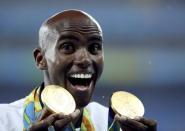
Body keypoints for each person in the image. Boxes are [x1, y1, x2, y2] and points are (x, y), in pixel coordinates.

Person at [0, 9, 157, 131]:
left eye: (94, 47)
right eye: (68, 47)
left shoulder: (109, 123)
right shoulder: (4, 120)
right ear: (40, 59)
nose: (85, 59)